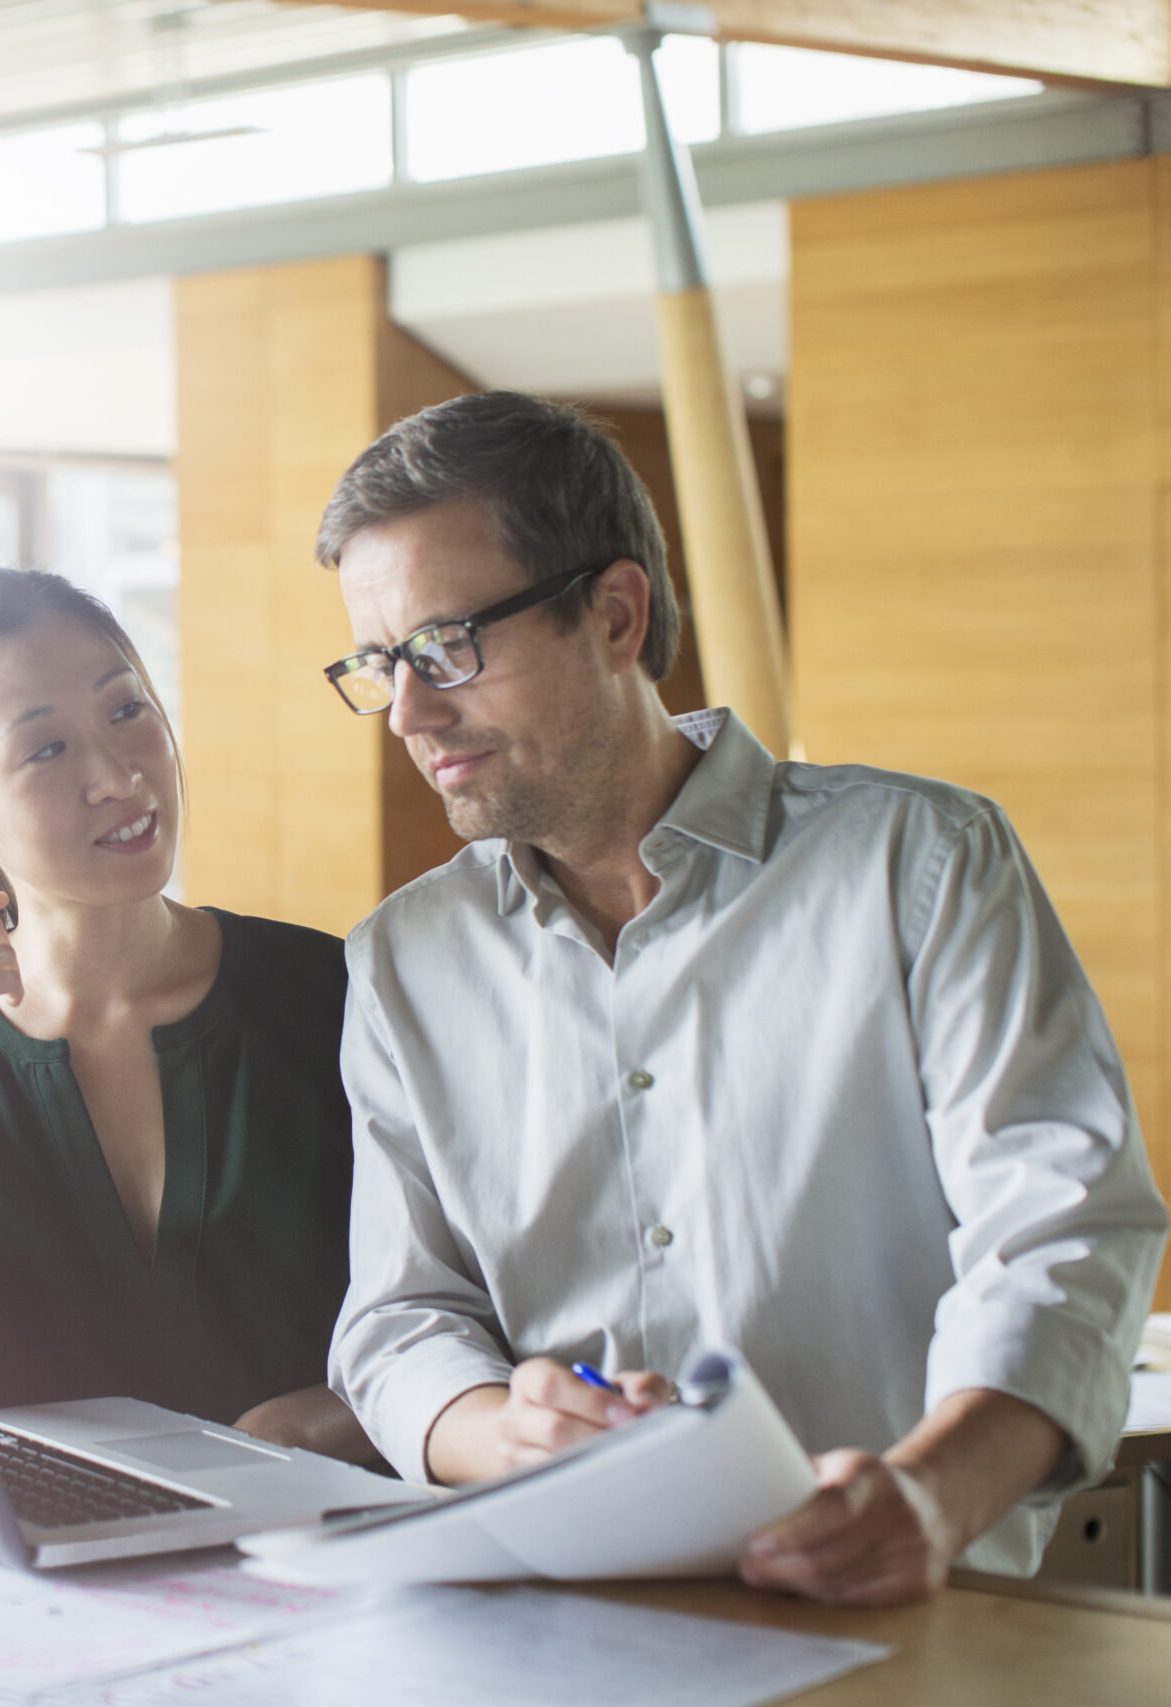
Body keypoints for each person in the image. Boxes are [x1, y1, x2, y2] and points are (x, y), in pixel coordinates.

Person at [314, 389, 1168, 1604]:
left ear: (614, 614)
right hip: (558, 1634)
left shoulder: (919, 863)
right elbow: (400, 1318)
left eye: (447, 647)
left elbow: (1065, 1231)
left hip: (913, 1628)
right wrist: (503, 1431)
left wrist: (928, 1494)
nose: (407, 712)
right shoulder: (403, 958)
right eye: (380, 663)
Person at [0, 566, 372, 1462]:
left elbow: (480, 1308)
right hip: (33, 1577)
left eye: (127, 712)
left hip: (334, 1553)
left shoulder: (337, 993)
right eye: (46, 750)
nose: (118, 776)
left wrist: (327, 1415)